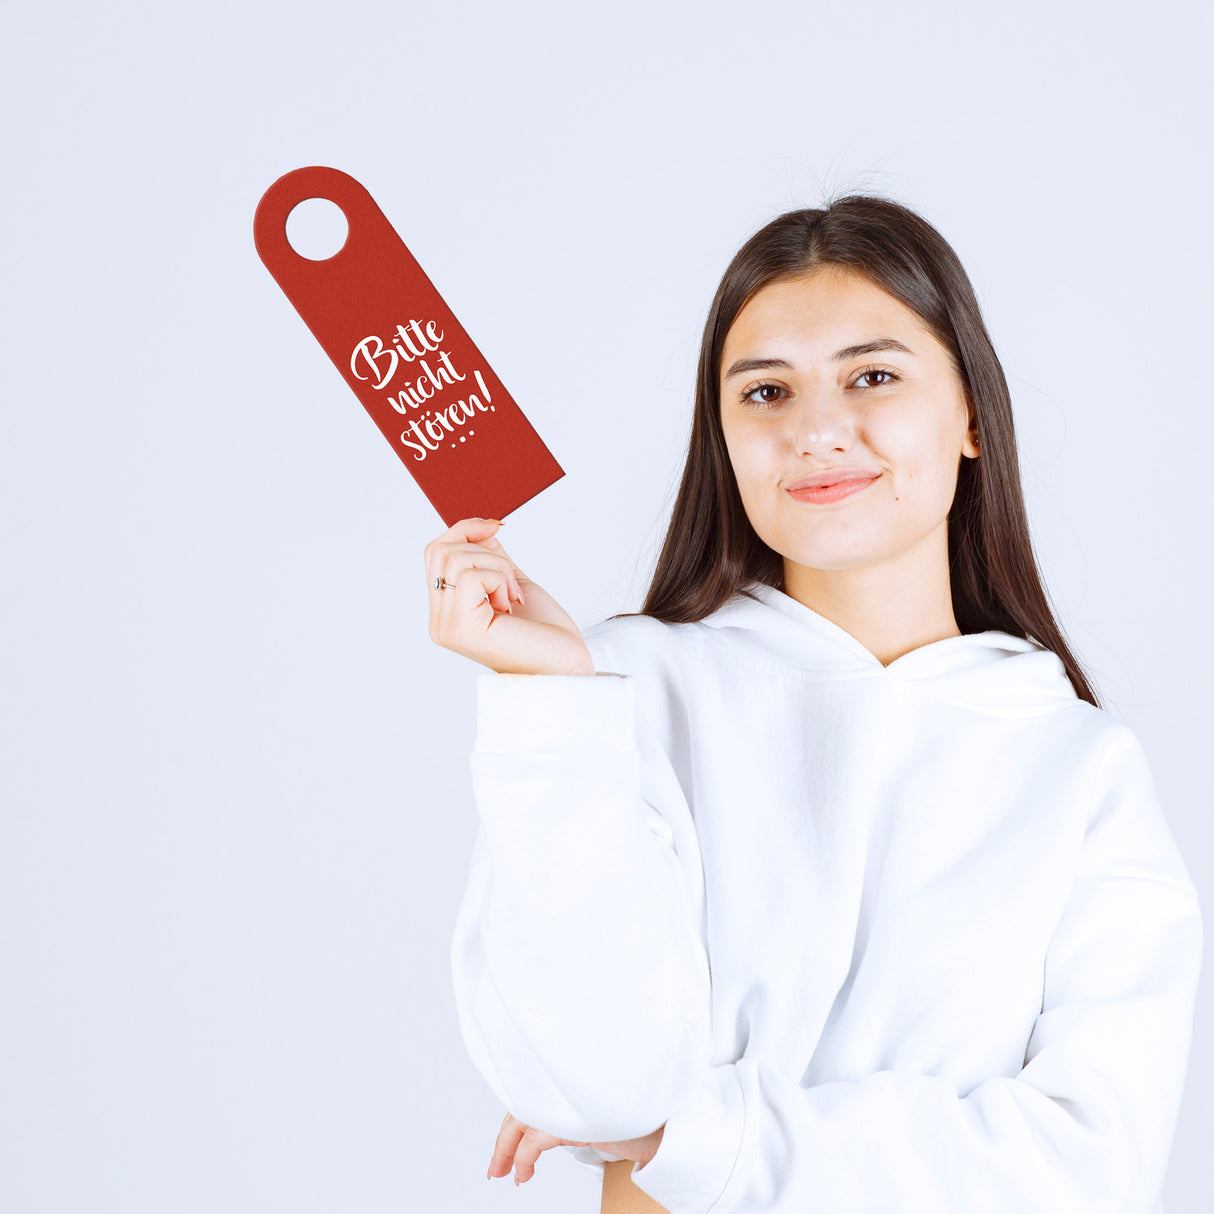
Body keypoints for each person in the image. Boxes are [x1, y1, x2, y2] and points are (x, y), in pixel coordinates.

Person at [426, 196, 1203, 1214]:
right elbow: (590, 1077)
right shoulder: (615, 693)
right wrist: (549, 706)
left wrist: (693, 1132)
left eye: (870, 375)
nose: (816, 429)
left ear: (968, 412)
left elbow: (1086, 1170)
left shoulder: (1077, 765)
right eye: (763, 393)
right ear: (722, 435)